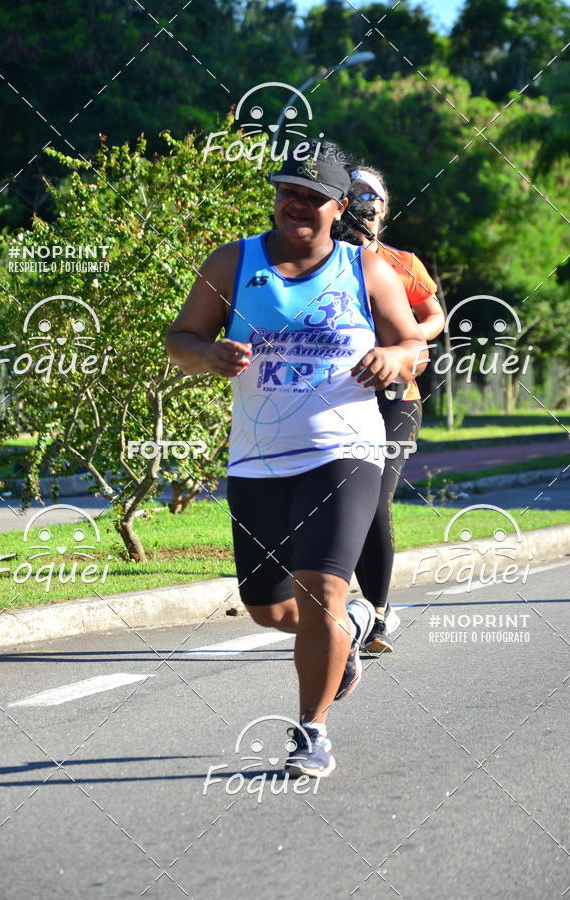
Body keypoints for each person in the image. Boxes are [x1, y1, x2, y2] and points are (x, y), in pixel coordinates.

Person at [166, 141, 427, 778]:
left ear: (339, 207)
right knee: (266, 606)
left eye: (313, 197)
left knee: (321, 590)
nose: (298, 205)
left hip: (346, 448)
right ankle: (350, 630)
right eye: (289, 192)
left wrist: (395, 359)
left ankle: (312, 733)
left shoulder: (366, 268)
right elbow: (180, 337)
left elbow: (413, 339)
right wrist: (206, 356)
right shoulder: (233, 262)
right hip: (257, 458)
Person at [333, 165, 445, 654]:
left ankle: (375, 616)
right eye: (353, 192)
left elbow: (433, 314)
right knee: (340, 503)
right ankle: (345, 605)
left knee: (374, 499)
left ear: (384, 205)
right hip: (338, 394)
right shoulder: (324, 260)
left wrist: (409, 341)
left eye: (372, 194)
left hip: (398, 397)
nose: (364, 201)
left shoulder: (402, 263)